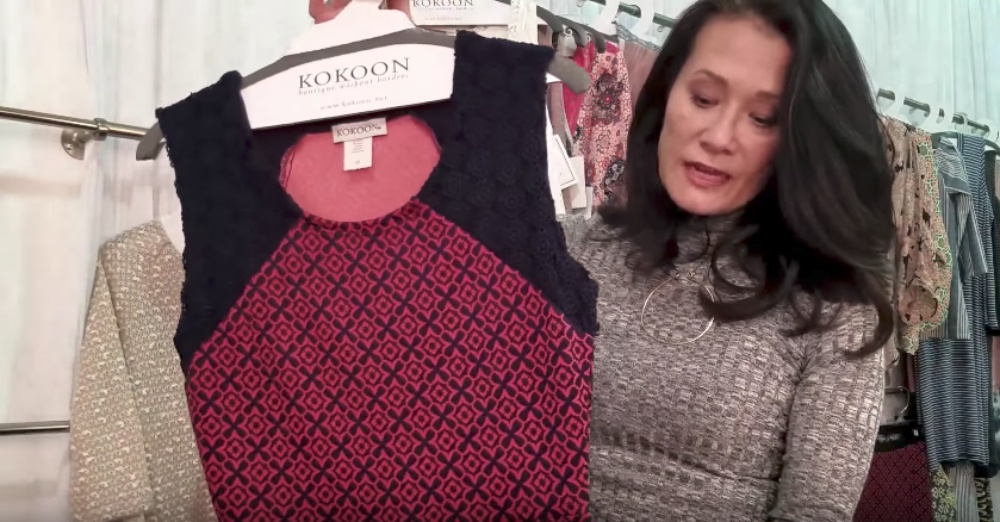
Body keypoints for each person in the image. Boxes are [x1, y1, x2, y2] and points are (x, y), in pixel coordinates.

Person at [563, 0, 894, 520]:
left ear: (802, 140)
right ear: (666, 94)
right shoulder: (569, 249)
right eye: (703, 98)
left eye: (762, 118)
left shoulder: (833, 311)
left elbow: (813, 512)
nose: (718, 137)